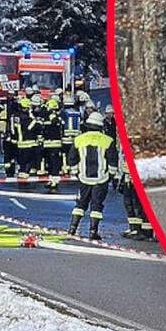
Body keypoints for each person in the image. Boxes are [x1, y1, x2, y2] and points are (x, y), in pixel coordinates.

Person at [67, 111, 118, 240]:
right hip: (101, 179)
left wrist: (75, 172)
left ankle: (72, 228)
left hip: (84, 177)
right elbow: (113, 161)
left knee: (80, 204)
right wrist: (111, 176)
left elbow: (71, 158)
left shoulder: (79, 139)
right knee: (97, 205)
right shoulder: (108, 140)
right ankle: (93, 231)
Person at [41, 98, 64, 191]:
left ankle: (54, 181)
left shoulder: (52, 115)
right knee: (50, 163)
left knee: (54, 163)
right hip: (49, 142)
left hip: (54, 143)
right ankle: (51, 180)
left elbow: (54, 122)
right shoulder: (55, 115)